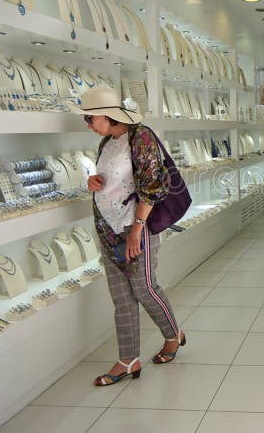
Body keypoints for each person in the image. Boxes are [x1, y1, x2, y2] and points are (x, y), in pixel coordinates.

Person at [71, 86, 184, 386]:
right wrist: (94, 181)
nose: (88, 125)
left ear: (108, 116)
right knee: (121, 298)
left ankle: (173, 335)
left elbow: (153, 186)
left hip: (136, 227)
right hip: (107, 228)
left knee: (144, 288)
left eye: (90, 118)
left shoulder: (141, 136)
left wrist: (136, 230)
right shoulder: (107, 142)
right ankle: (128, 359)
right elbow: (114, 180)